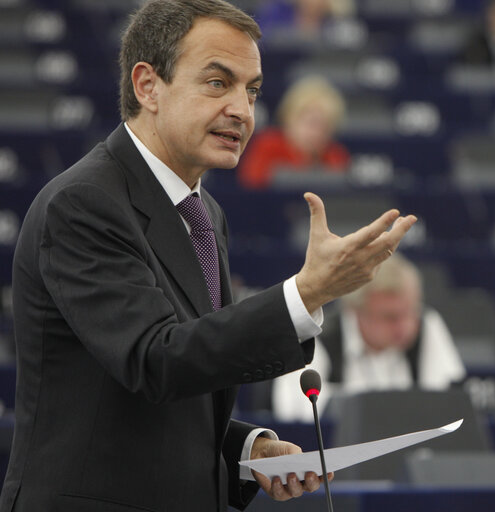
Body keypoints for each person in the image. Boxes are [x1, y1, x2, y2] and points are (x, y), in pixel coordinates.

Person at [0, 1, 416, 511]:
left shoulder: (204, 212)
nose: (243, 109)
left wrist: (245, 448)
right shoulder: (83, 204)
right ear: (147, 86)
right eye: (218, 83)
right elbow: (156, 360)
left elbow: (175, 386)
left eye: (253, 90)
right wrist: (309, 291)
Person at [272, 253, 466, 422]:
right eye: (390, 317)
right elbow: (293, 412)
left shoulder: (428, 325)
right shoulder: (316, 335)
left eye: (410, 312)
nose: (404, 326)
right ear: (355, 311)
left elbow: (449, 405)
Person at [237, 75, 350, 189]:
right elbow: (252, 184)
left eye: (325, 126)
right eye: (311, 123)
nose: (317, 132)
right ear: (290, 118)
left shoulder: (336, 155)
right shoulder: (267, 145)